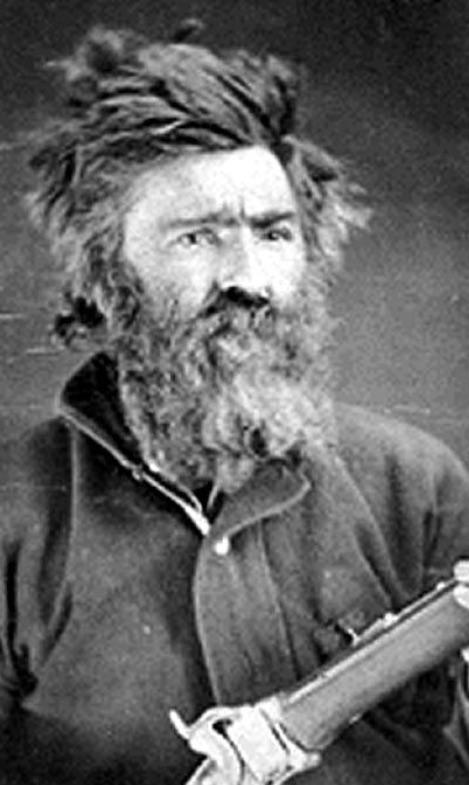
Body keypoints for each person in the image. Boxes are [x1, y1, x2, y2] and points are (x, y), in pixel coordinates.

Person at [1, 23, 469, 785]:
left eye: (273, 233)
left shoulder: (418, 484)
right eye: (197, 237)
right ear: (104, 271)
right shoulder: (11, 514)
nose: (248, 279)